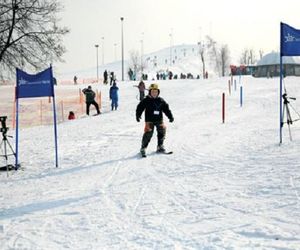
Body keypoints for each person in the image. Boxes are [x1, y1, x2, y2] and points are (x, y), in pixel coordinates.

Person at [136, 83, 174, 157]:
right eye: (153, 92)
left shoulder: (161, 100)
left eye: (156, 92)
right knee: (148, 133)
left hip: (159, 119)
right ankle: (143, 148)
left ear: (158, 92)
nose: (154, 93)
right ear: (150, 92)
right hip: (149, 120)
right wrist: (138, 115)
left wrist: (170, 117)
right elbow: (140, 107)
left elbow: (166, 109)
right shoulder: (146, 100)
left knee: (162, 130)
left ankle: (160, 146)